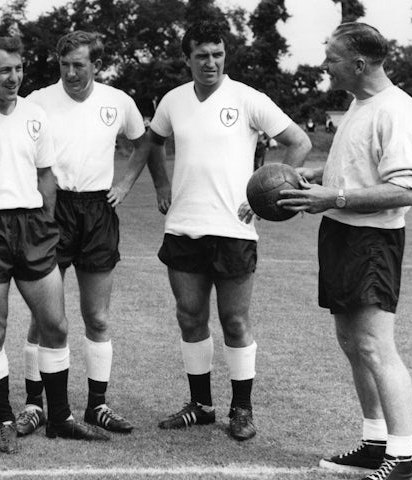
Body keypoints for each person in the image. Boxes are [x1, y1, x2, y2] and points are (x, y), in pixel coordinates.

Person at [0, 36, 108, 455]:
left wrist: (44, 220)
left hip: (32, 225)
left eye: (18, 68)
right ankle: (4, 420)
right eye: (4, 70)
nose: (14, 78)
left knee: (56, 325)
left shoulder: (35, 115)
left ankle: (61, 417)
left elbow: (45, 175)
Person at [147, 21, 311, 441]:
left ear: (225, 55)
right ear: (187, 58)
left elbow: (299, 141)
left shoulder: (247, 98)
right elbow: (153, 142)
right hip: (183, 226)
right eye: (201, 55)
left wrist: (264, 192)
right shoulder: (173, 101)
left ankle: (242, 408)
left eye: (217, 54)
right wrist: (162, 184)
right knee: (189, 317)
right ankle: (200, 406)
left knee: (234, 321)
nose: (211, 62)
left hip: (233, 229)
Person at [278, 23, 412, 480]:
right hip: (341, 234)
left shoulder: (397, 110)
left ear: (359, 64)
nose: (325, 64)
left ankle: (401, 459)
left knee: (375, 345)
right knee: (351, 343)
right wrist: (308, 180)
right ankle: (375, 441)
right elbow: (356, 169)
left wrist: (334, 198)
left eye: (332, 58)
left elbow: (406, 189)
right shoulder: (359, 104)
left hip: (372, 241)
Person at [21, 31, 149, 436]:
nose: (72, 73)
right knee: (44, 317)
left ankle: (97, 405)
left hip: (98, 211)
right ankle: (33, 404)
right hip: (51, 211)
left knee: (96, 316)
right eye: (64, 65)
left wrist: (125, 184)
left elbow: (143, 142)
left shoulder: (118, 102)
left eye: (80, 65)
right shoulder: (37, 101)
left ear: (97, 64)